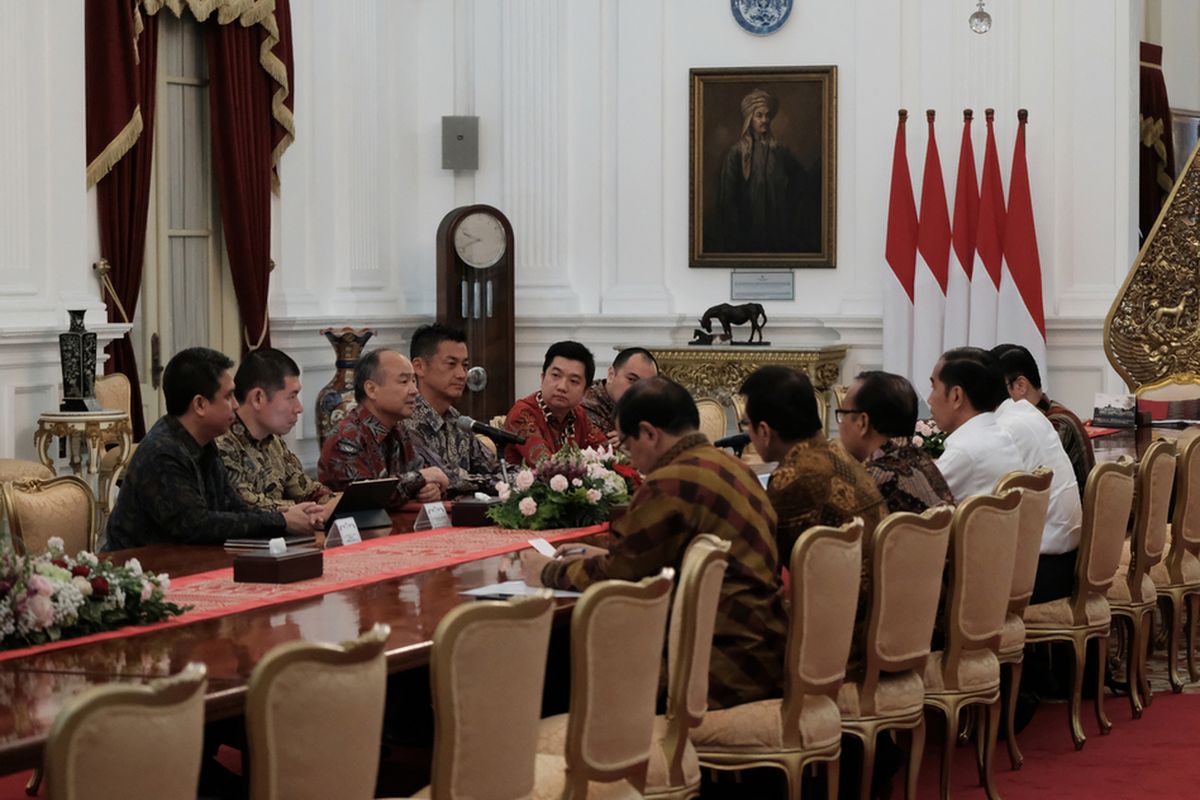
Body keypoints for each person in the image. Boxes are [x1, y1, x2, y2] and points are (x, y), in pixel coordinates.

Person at [520, 377, 787, 709]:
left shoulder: (672, 479)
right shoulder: (734, 467)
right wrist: (607, 552)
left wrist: (548, 572)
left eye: (629, 447)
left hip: (716, 668)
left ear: (649, 433)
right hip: (761, 651)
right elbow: (666, 557)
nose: (631, 460)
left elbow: (620, 575)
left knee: (560, 660)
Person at [104, 347, 322, 550]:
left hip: (184, 563)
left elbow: (231, 507)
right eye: (228, 397)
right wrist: (280, 521)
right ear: (200, 404)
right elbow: (196, 525)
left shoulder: (204, 441)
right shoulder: (163, 452)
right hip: (141, 575)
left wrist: (282, 517)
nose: (236, 405)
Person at [740, 365, 886, 562]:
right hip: (877, 585)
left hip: (839, 590)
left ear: (764, 431)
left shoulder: (792, 477)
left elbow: (760, 555)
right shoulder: (839, 454)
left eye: (747, 424)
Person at [318, 348, 448, 507]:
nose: (415, 391)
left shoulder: (399, 431)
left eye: (414, 381)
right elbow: (366, 499)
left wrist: (431, 489)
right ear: (371, 389)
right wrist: (420, 478)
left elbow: (423, 475)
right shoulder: (346, 439)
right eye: (404, 381)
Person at [216, 348, 334, 513]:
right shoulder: (222, 443)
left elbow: (308, 490)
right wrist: (306, 510)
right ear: (258, 398)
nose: (299, 408)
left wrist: (336, 502)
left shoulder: (274, 442)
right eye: (292, 396)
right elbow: (243, 504)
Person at [993, 397, 1084, 604]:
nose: (930, 399)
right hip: (1071, 561)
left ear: (957, 395)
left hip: (1042, 573)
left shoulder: (1003, 430)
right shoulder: (1030, 415)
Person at [709, 88, 821, 254]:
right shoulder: (736, 154)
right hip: (747, 236)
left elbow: (803, 185)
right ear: (749, 119)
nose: (765, 120)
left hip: (780, 235)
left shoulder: (780, 151)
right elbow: (727, 202)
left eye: (768, 115)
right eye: (759, 115)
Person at [403, 323, 503, 496]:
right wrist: (483, 482)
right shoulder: (405, 420)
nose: (462, 374)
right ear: (419, 367)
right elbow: (444, 477)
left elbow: (493, 467)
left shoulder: (457, 421)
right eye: (451, 364)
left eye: (464, 365)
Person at [837, 370, 954, 514]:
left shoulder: (871, 480)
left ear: (862, 422)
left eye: (842, 414)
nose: (840, 425)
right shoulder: (922, 460)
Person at [992, 343, 1095, 499]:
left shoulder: (1056, 425)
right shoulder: (1047, 416)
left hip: (1071, 519)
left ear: (1021, 386)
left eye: (995, 388)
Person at [927, 347, 1024, 501]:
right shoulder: (1001, 436)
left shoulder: (964, 451)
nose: (929, 399)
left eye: (934, 387)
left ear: (956, 396)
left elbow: (918, 500)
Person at [503, 340, 608, 466]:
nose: (562, 387)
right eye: (556, 375)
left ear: (585, 391)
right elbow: (546, 465)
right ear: (542, 377)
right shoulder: (522, 414)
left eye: (573, 381)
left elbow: (607, 454)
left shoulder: (579, 415)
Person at [580, 346, 659, 444]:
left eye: (647, 385)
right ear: (611, 375)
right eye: (632, 380)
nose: (639, 390)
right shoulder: (584, 405)